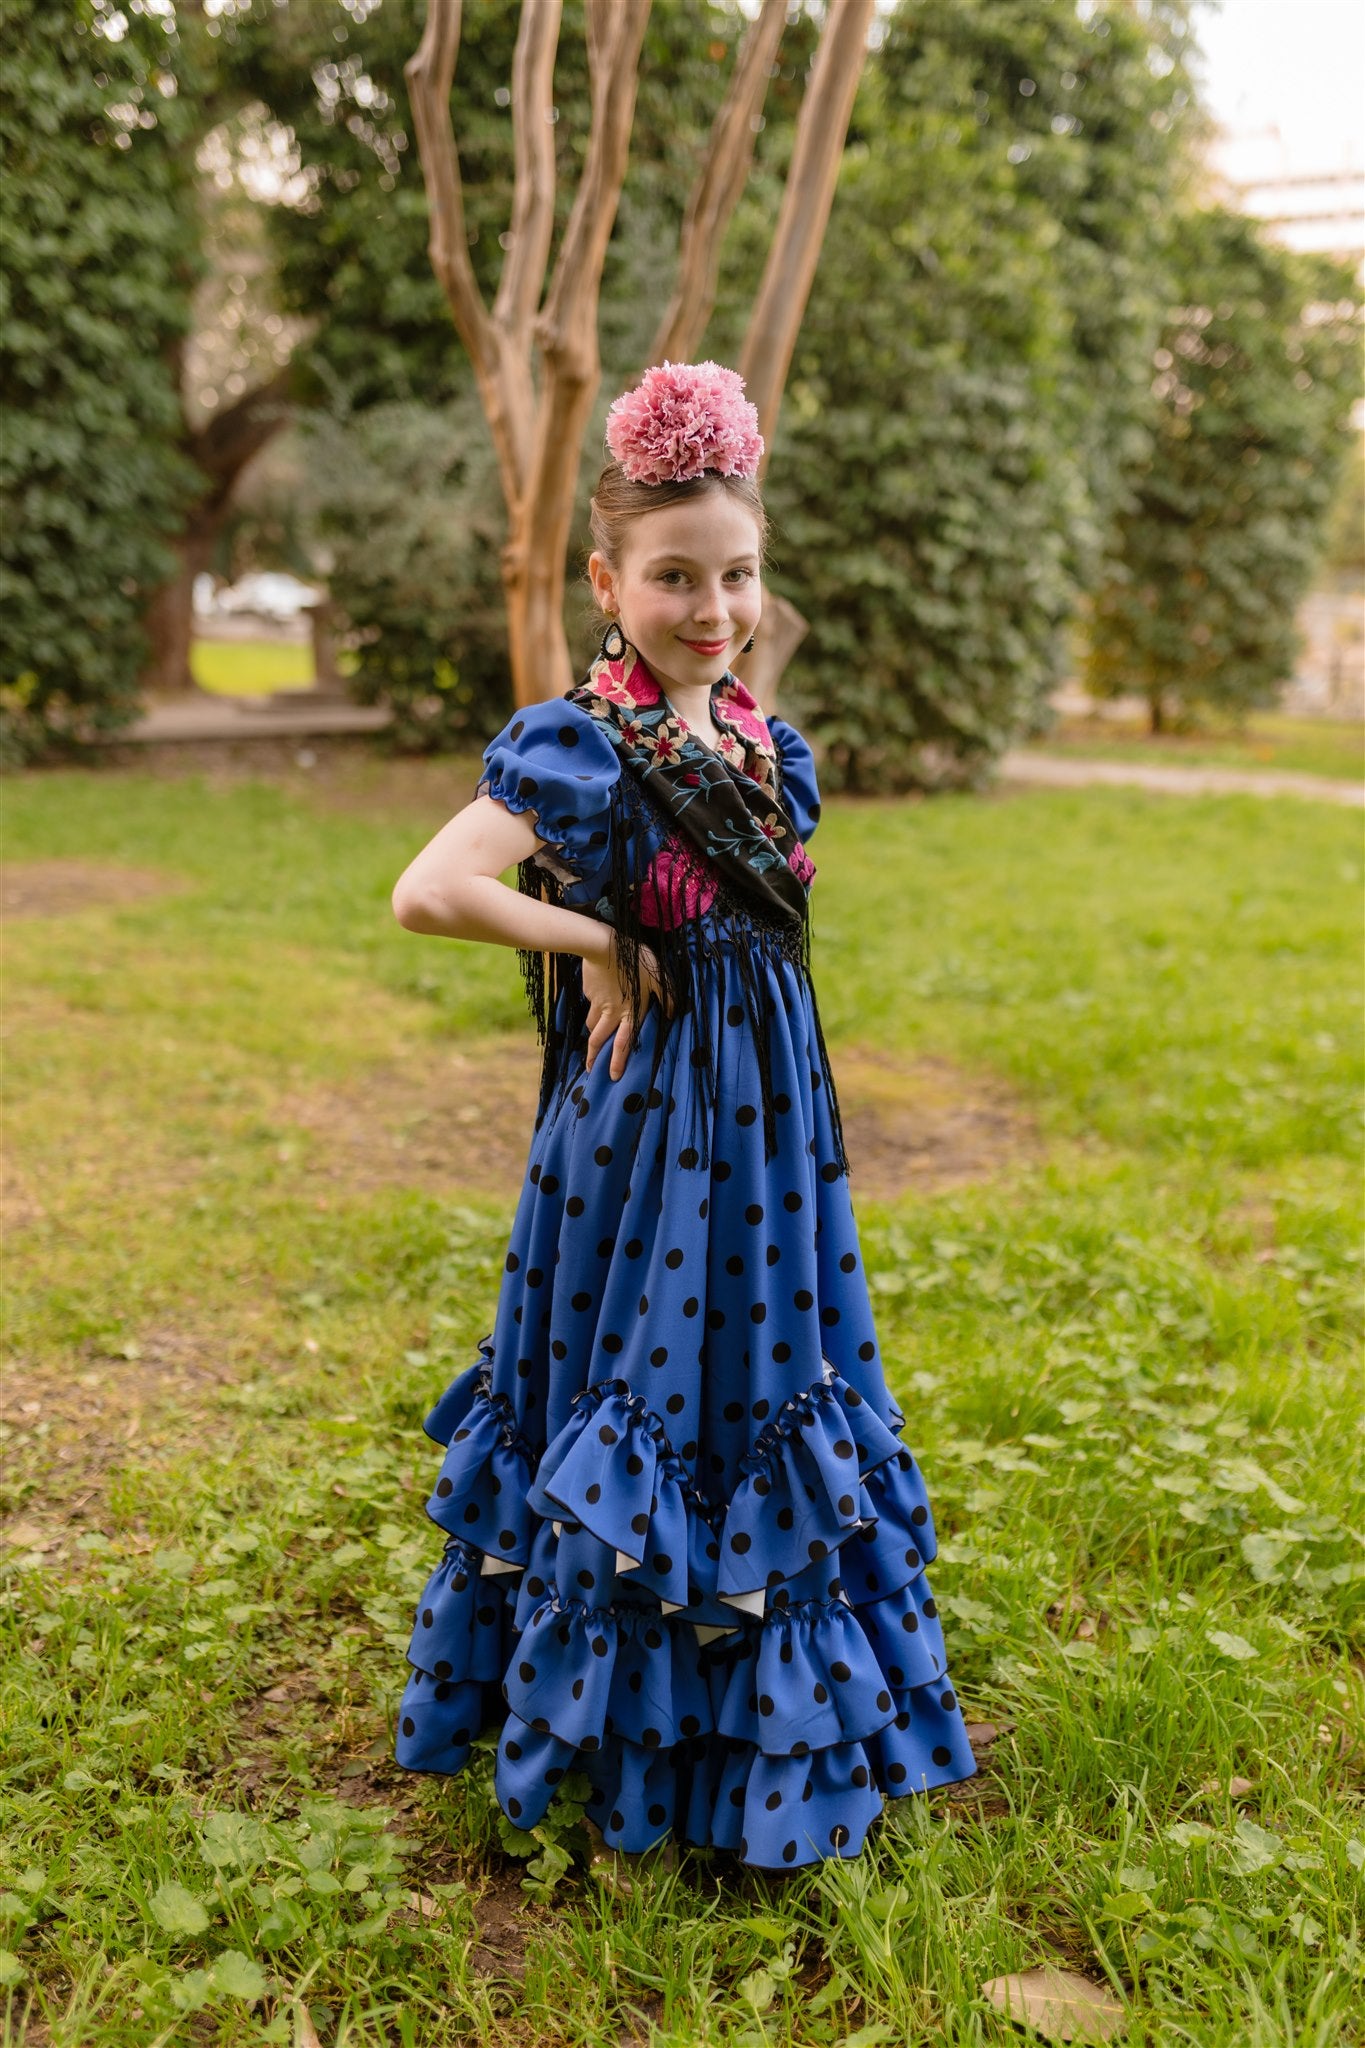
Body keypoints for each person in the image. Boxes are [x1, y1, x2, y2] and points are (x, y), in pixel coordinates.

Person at [388, 360, 976, 1870]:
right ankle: (623, 1710)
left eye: (737, 574)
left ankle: (759, 1681)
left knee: (759, 1357)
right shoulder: (586, 742)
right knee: (640, 1357)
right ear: (607, 578)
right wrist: (608, 946)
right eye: (672, 578)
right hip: (649, 1127)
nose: (710, 607)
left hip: (772, 1126)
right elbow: (430, 890)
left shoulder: (765, 749)